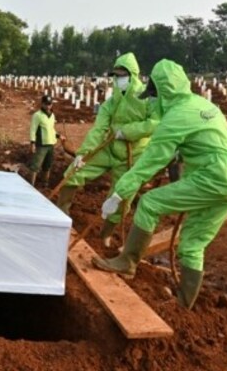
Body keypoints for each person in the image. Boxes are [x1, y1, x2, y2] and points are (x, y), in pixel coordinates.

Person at [92, 59, 227, 310]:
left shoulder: (175, 118)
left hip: (212, 178)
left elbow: (149, 163)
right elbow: (206, 148)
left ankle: (127, 263)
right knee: (193, 243)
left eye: (154, 96)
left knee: (150, 203)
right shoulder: (203, 104)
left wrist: (119, 194)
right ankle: (183, 306)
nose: (152, 101)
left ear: (163, 93)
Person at [56, 52, 158, 247]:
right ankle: (62, 216)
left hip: (133, 155)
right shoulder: (111, 103)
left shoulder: (147, 99)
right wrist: (82, 154)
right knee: (74, 171)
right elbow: (99, 129)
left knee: (121, 197)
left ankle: (105, 235)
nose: (119, 79)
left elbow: (155, 123)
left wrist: (128, 131)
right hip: (110, 148)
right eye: (116, 75)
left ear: (133, 75)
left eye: (123, 75)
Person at [27, 94, 64, 187]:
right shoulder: (37, 115)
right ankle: (31, 185)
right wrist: (32, 143)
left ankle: (45, 184)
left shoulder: (52, 115)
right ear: (42, 104)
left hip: (51, 144)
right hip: (41, 145)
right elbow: (33, 129)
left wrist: (59, 136)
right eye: (46, 104)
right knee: (35, 166)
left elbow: (51, 129)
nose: (48, 106)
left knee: (47, 166)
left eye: (50, 104)